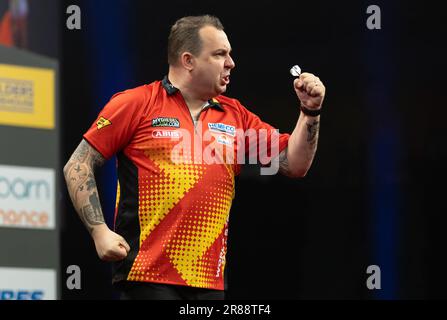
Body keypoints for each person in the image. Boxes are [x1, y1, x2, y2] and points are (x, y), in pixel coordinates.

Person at [63, 15, 325, 300]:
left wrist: (310, 112)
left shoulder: (235, 115)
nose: (231, 63)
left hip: (209, 281)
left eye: (230, 54)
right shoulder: (136, 103)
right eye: (219, 54)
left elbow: (295, 164)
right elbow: (78, 164)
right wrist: (99, 231)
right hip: (146, 274)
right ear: (188, 60)